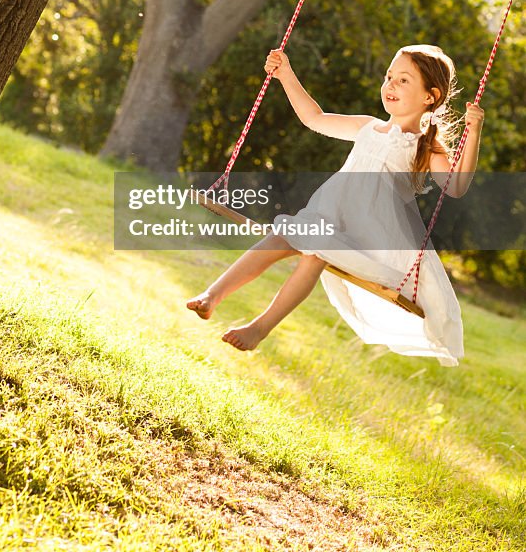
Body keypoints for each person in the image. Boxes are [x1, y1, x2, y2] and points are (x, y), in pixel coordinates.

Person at [186, 44, 484, 367]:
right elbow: (314, 118)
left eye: (403, 80)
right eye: (389, 77)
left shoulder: (426, 148)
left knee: (316, 253)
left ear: (430, 96)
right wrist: (285, 74)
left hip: (369, 239)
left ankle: (259, 327)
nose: (390, 85)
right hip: (329, 218)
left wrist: (475, 130)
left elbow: (455, 186)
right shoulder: (368, 127)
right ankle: (212, 295)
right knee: (281, 236)